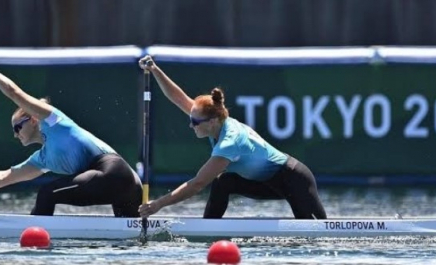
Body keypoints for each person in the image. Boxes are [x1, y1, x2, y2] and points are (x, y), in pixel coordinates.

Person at [138, 56, 327, 220]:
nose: (191, 125)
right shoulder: (214, 119)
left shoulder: (230, 141)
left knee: (319, 236)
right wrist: (155, 70)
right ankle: (209, 231)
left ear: (212, 122)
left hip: (294, 179)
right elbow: (179, 98)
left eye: (195, 122)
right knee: (223, 182)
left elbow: (198, 184)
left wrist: (159, 204)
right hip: (266, 182)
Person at [0, 72, 142, 217]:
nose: (15, 134)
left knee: (47, 193)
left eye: (17, 128)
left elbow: (13, 92)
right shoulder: (43, 159)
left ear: (33, 120)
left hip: (114, 172)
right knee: (132, 236)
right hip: (131, 186)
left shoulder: (53, 120)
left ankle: (34, 235)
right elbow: (6, 177)